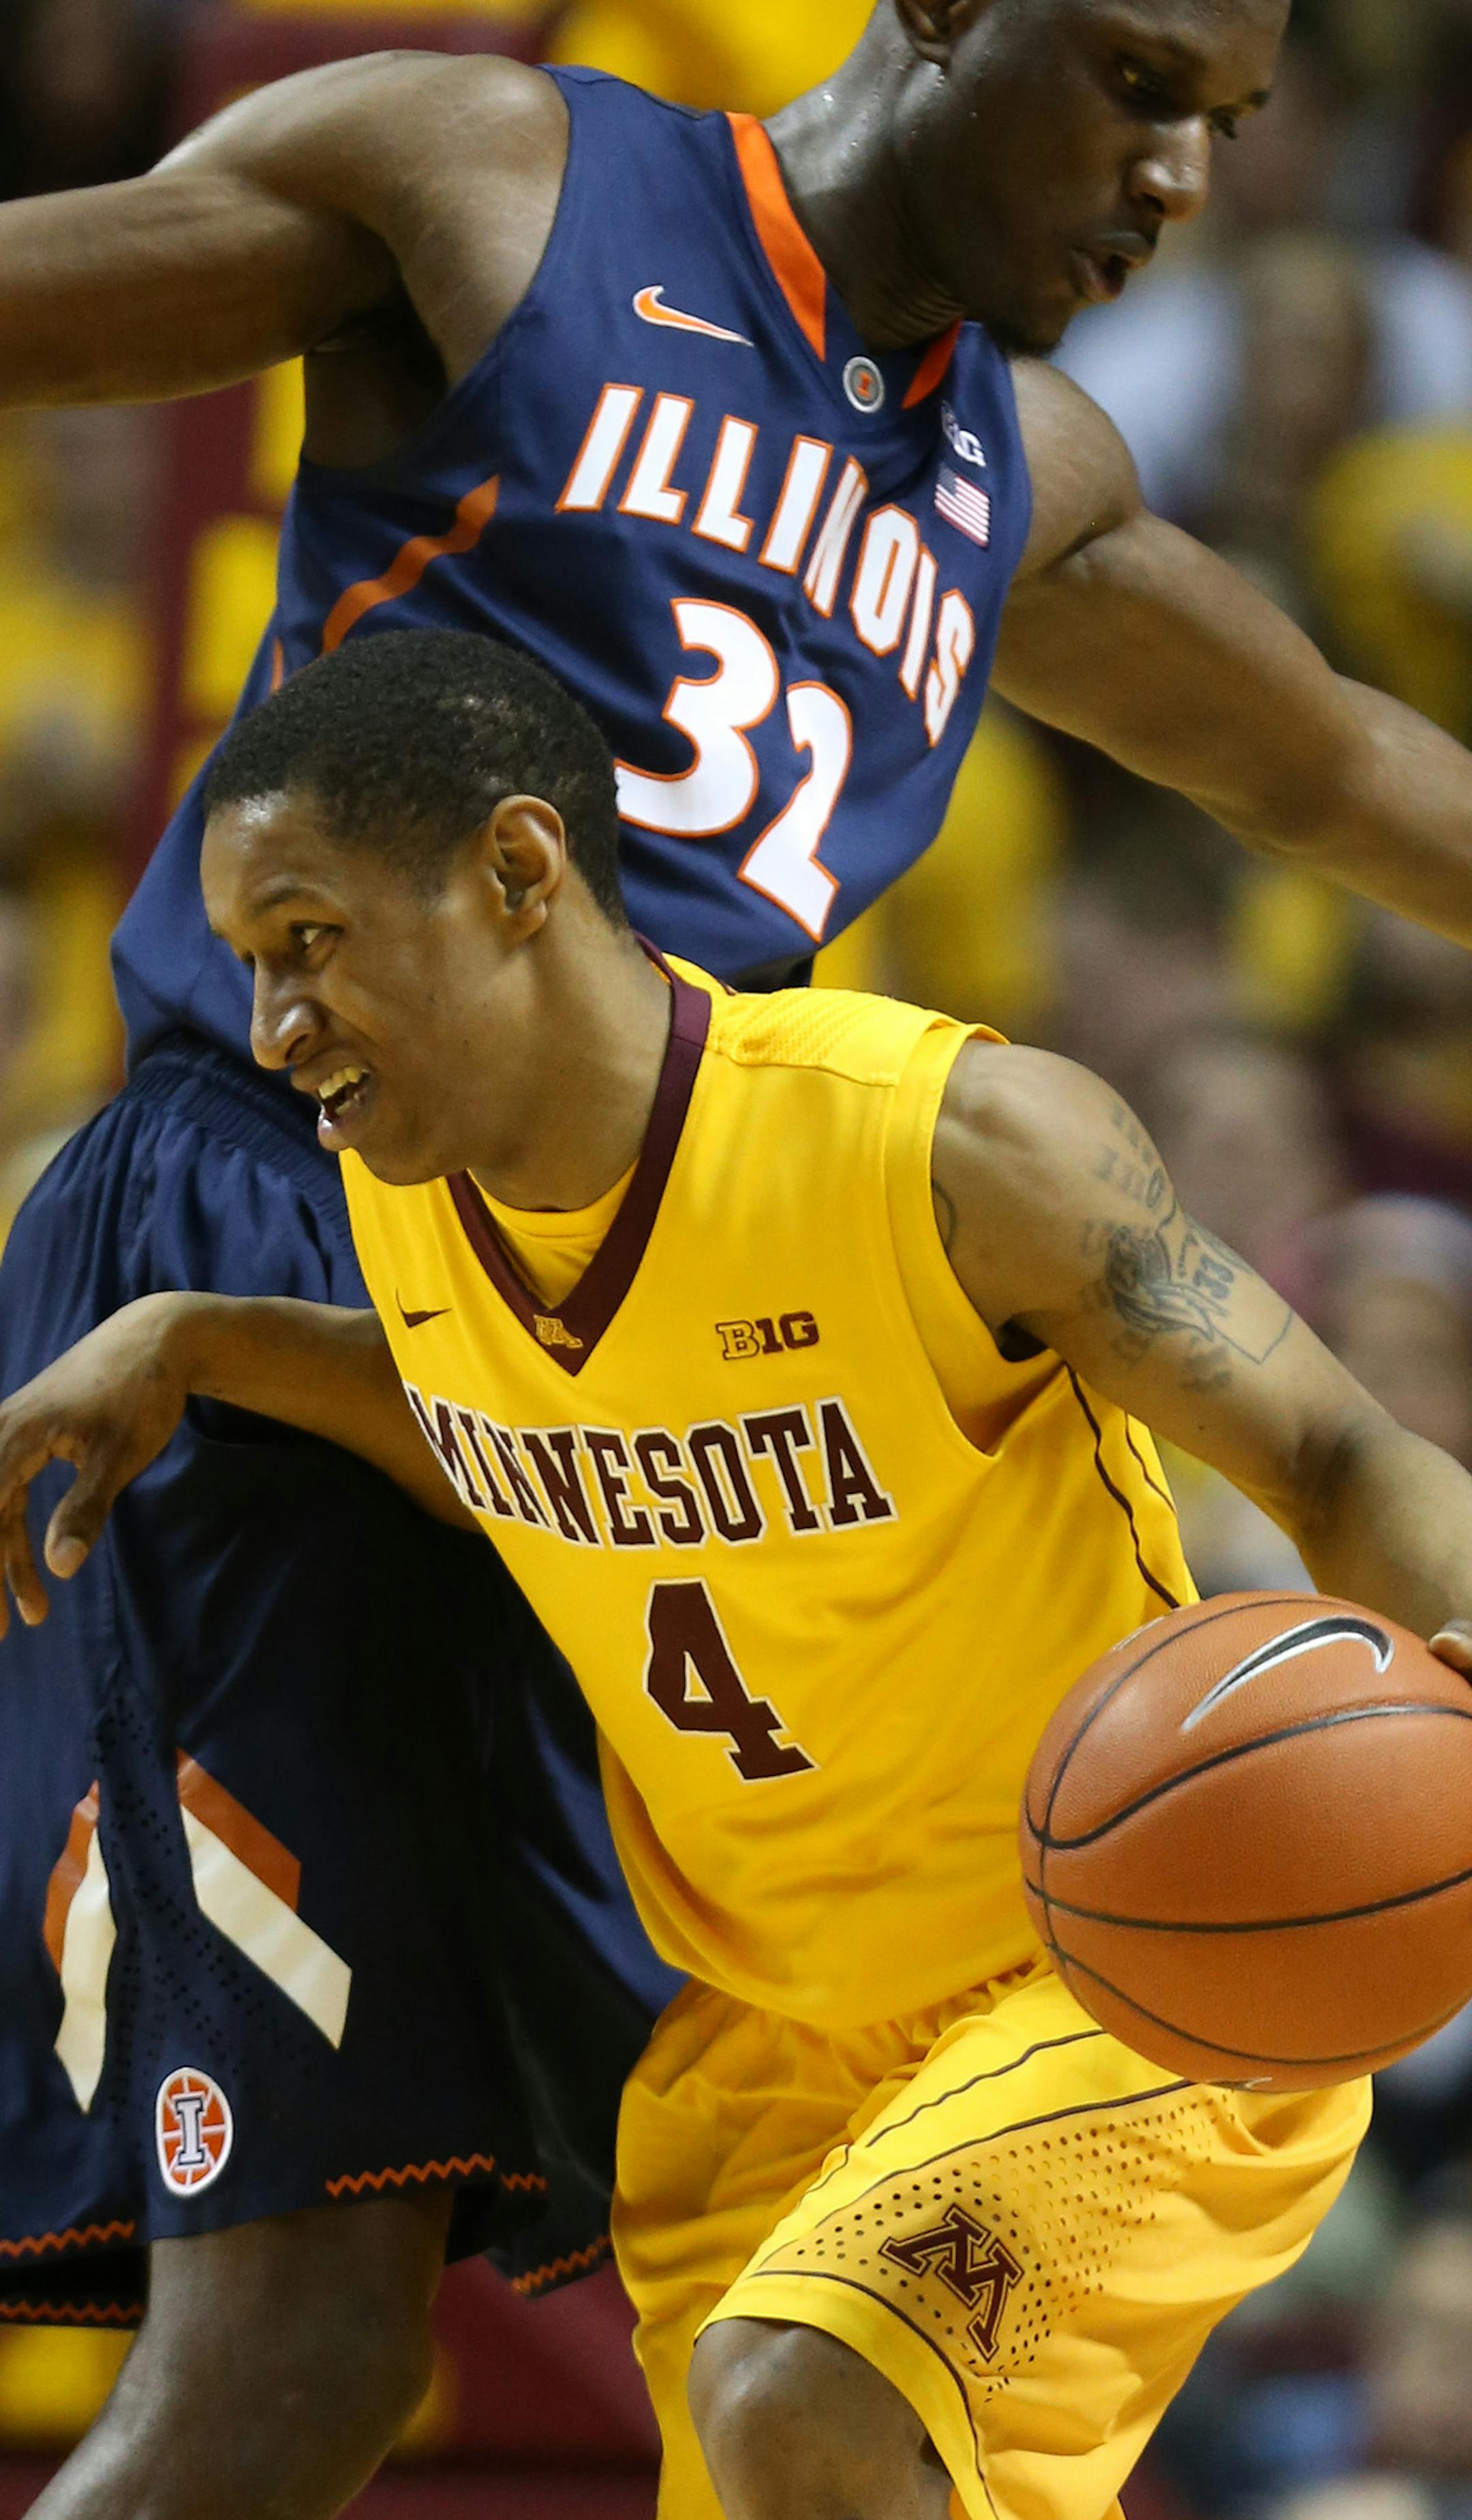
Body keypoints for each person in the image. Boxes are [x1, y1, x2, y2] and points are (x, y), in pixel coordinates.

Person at [10, 3, 1472, 2510]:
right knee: (311, 2330)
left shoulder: (1024, 479)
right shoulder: (507, 189)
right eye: (1130, 79)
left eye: (1224, 125)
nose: (1178, 182)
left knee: (810, 2283)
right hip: (304, 1187)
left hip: (688, 1294)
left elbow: (1333, 759)